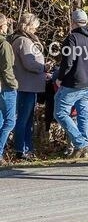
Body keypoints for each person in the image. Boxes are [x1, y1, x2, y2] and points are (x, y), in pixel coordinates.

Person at [53, 9, 88, 158]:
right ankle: (84, 149)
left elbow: (67, 62)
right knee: (83, 115)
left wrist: (60, 78)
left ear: (73, 22)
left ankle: (81, 143)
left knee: (60, 113)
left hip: (73, 83)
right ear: (86, 22)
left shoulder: (72, 38)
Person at [10, 13, 45, 161]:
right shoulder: (23, 41)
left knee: (27, 119)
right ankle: (21, 149)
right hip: (25, 86)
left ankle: (27, 148)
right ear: (28, 26)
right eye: (35, 27)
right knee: (24, 119)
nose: (36, 31)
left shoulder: (24, 39)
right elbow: (29, 63)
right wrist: (43, 66)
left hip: (29, 85)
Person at [0, 14, 17, 162]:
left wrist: (9, 28)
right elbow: (7, 69)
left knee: (0, 121)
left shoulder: (4, 42)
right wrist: (14, 84)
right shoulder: (4, 45)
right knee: (10, 121)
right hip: (5, 87)